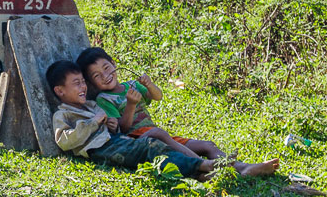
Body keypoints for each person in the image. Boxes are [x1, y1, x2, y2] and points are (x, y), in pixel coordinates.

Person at [46, 60, 279, 180]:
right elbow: (65, 141)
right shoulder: (63, 115)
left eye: (82, 82)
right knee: (154, 145)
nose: (83, 86)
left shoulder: (92, 104)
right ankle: (208, 165)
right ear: (60, 91)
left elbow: (120, 125)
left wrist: (109, 124)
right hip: (107, 147)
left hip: (115, 141)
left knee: (167, 146)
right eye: (77, 83)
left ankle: (218, 170)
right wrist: (96, 121)